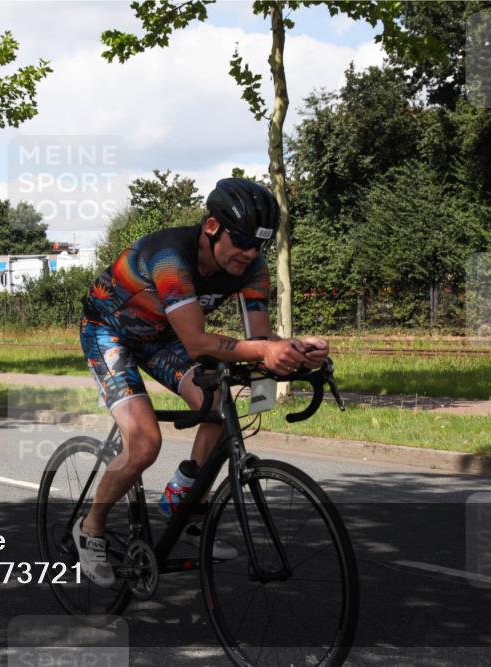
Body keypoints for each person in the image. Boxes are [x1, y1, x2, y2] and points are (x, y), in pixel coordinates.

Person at [75, 178, 330, 586]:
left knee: (217, 402)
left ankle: (185, 501)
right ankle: (91, 528)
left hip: (161, 338)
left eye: (258, 246)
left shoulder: (253, 268)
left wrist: (294, 351)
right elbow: (196, 343)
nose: (249, 253)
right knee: (144, 444)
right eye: (243, 241)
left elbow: (260, 341)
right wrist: (264, 352)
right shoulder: (170, 259)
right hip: (110, 333)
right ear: (212, 226)